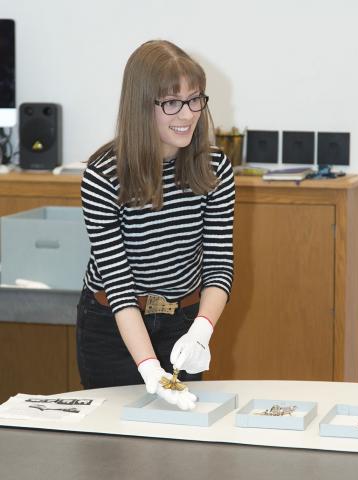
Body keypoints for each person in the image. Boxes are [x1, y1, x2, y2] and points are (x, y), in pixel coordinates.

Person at [77, 40, 235, 410]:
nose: (187, 114)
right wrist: (149, 367)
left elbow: (218, 264)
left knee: (180, 452)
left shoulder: (214, 168)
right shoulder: (103, 176)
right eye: (171, 103)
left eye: (195, 99)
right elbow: (117, 283)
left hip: (182, 322)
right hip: (112, 327)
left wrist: (201, 331)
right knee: (115, 452)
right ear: (141, 105)